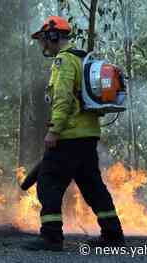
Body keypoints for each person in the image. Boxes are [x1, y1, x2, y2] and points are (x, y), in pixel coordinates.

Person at [23, 16, 125, 251]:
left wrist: (54, 130)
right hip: (88, 135)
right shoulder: (83, 59)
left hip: (69, 136)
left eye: (43, 40)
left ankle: (51, 237)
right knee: (92, 185)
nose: (42, 45)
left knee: (48, 182)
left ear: (52, 36)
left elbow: (63, 98)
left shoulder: (64, 61)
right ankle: (113, 233)